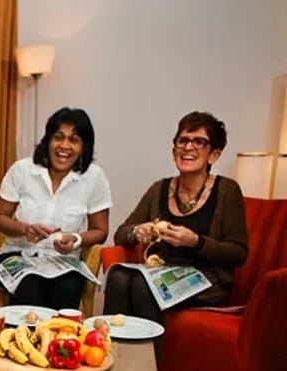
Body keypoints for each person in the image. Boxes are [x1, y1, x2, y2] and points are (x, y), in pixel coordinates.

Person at [104, 111, 248, 325]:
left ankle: (148, 359)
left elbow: (238, 253)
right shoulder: (159, 188)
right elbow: (121, 234)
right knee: (118, 278)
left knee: (142, 286)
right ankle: (112, 353)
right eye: (183, 141)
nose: (188, 148)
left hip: (207, 279)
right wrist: (137, 231)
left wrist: (196, 242)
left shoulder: (227, 190)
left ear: (214, 154)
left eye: (199, 142)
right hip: (162, 273)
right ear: (174, 150)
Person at [0, 107, 112, 309]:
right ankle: (22, 338)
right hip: (17, 254)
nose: (64, 146)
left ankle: (60, 340)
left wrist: (77, 240)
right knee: (30, 288)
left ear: (84, 146)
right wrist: (24, 229)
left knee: (67, 289)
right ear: (48, 140)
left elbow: (100, 231)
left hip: (63, 262)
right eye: (58, 137)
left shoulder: (94, 177)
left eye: (73, 140)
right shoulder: (22, 170)